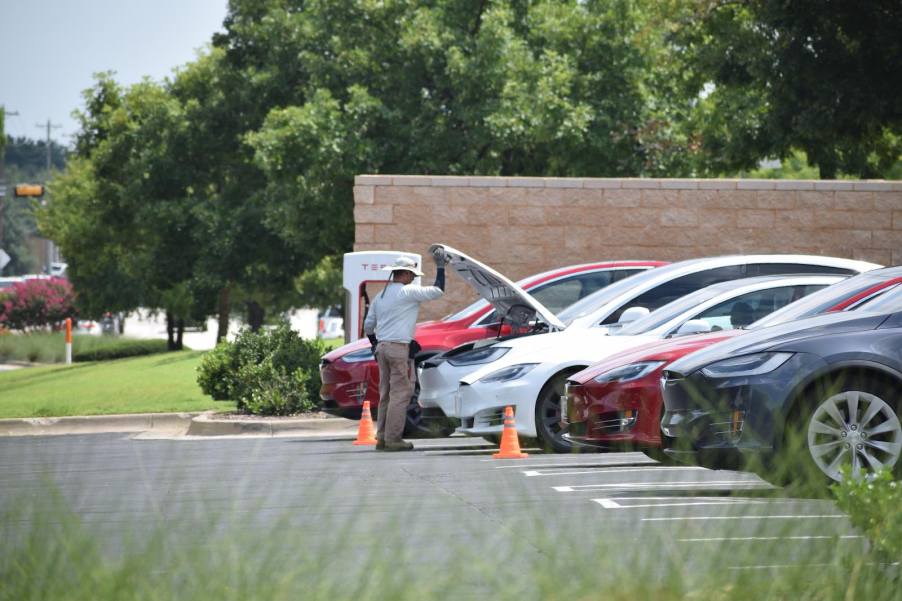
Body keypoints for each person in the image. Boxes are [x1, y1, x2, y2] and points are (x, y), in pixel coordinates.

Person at [363, 249, 448, 451]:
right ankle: (393, 439)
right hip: (397, 348)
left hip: (382, 348)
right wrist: (441, 266)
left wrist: (375, 344)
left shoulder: (380, 296)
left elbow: (368, 325)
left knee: (386, 394)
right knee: (401, 394)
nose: (412, 279)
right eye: (412, 275)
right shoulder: (407, 292)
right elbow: (438, 290)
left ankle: (382, 437)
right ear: (406, 274)